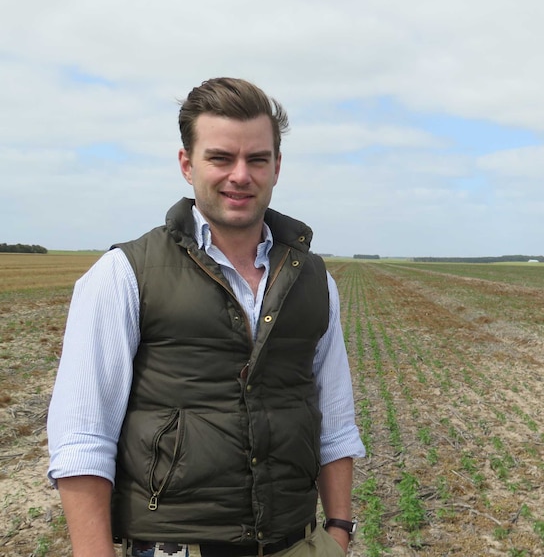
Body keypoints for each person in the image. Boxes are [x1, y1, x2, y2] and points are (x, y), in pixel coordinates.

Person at [47, 77, 365, 557]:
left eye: (257, 159)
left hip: (297, 544)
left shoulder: (315, 280)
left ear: (277, 167)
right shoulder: (123, 275)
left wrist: (338, 530)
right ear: (186, 164)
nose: (240, 175)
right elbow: (82, 437)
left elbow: (335, 419)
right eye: (220, 158)